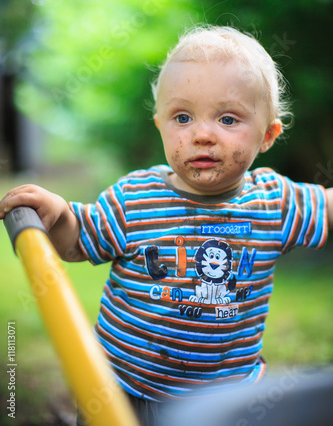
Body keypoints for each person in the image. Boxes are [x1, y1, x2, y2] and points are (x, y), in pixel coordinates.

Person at [1, 25, 332, 426]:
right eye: (182, 117)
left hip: (227, 399)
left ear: (267, 135)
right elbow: (78, 240)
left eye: (228, 119)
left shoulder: (276, 202)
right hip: (122, 390)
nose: (202, 134)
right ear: (160, 124)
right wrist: (58, 213)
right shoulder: (135, 198)